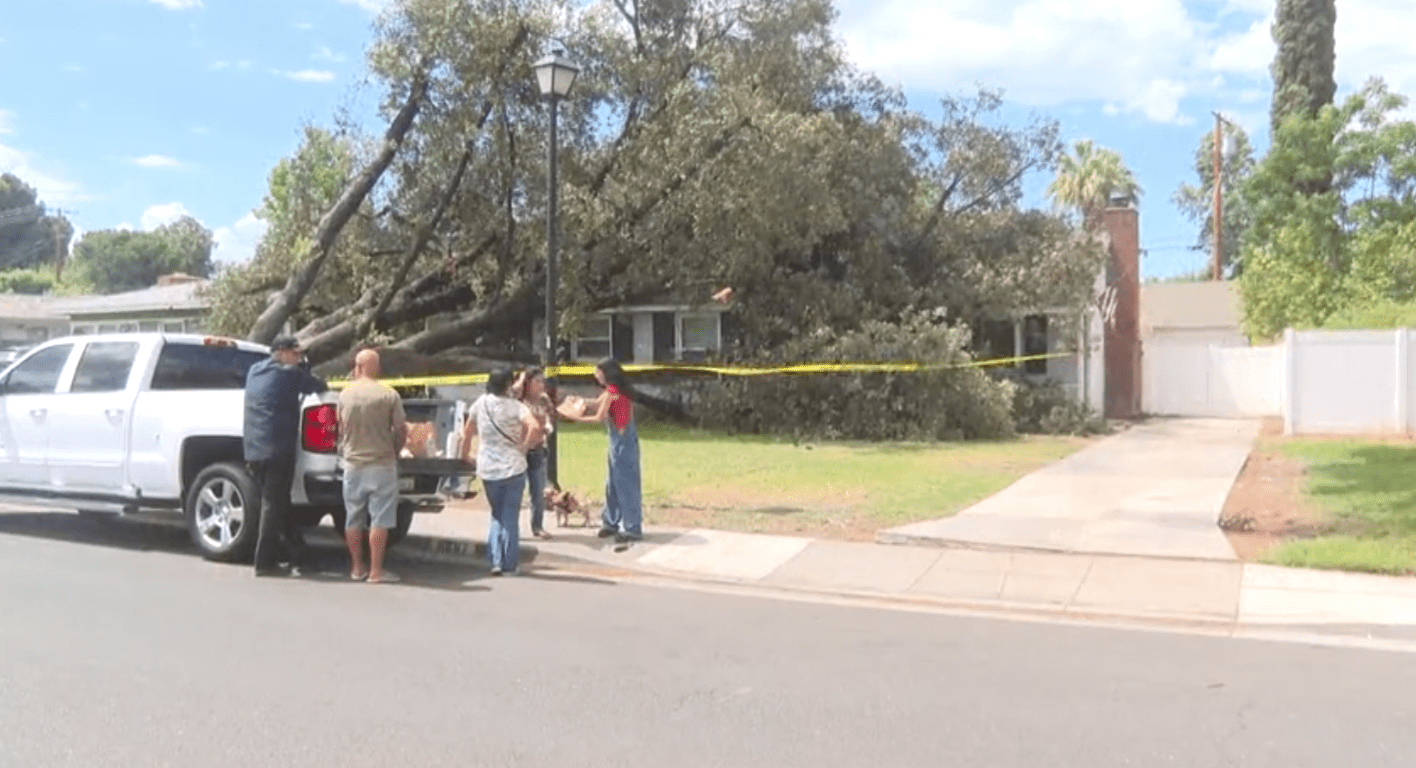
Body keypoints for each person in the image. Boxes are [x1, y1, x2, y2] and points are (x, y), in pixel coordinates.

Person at [243, 334, 328, 577]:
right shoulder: (289, 375)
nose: (299, 357)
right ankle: (264, 562)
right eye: (296, 353)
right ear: (281, 352)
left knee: (278, 503)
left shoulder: (254, 371)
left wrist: (300, 365)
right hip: (278, 449)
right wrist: (304, 367)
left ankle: (299, 554)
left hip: (253, 450)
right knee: (273, 504)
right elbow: (318, 385)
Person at [337, 349, 408, 584]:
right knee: (380, 519)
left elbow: (340, 428)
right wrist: (395, 450)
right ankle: (376, 570)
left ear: (357, 367)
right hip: (382, 463)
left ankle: (357, 567)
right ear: (376, 368)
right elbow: (400, 429)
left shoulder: (345, 395)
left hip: (353, 464)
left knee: (353, 517)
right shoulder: (389, 395)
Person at [471, 367, 542, 575]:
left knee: (496, 515)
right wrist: (524, 447)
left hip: (488, 468)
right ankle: (509, 564)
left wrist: (466, 453)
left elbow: (468, 429)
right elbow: (535, 427)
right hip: (513, 467)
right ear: (508, 385)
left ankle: (495, 560)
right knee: (510, 517)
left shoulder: (480, 404)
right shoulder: (516, 407)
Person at [567, 358, 643, 544]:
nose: (595, 375)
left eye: (598, 372)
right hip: (620, 441)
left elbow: (598, 416)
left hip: (622, 441)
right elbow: (596, 403)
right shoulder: (612, 391)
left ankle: (632, 527)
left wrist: (574, 417)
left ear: (606, 373)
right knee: (612, 484)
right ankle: (610, 522)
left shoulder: (613, 393)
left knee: (625, 484)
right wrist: (579, 401)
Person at [515, 367, 556, 539]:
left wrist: (548, 428)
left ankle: (537, 526)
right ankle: (512, 527)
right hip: (520, 449)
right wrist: (522, 377)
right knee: (516, 490)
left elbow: (550, 418)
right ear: (528, 383)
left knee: (537, 490)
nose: (541, 385)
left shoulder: (544, 400)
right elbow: (512, 391)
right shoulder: (519, 399)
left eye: (543, 382)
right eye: (537, 381)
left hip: (538, 449)